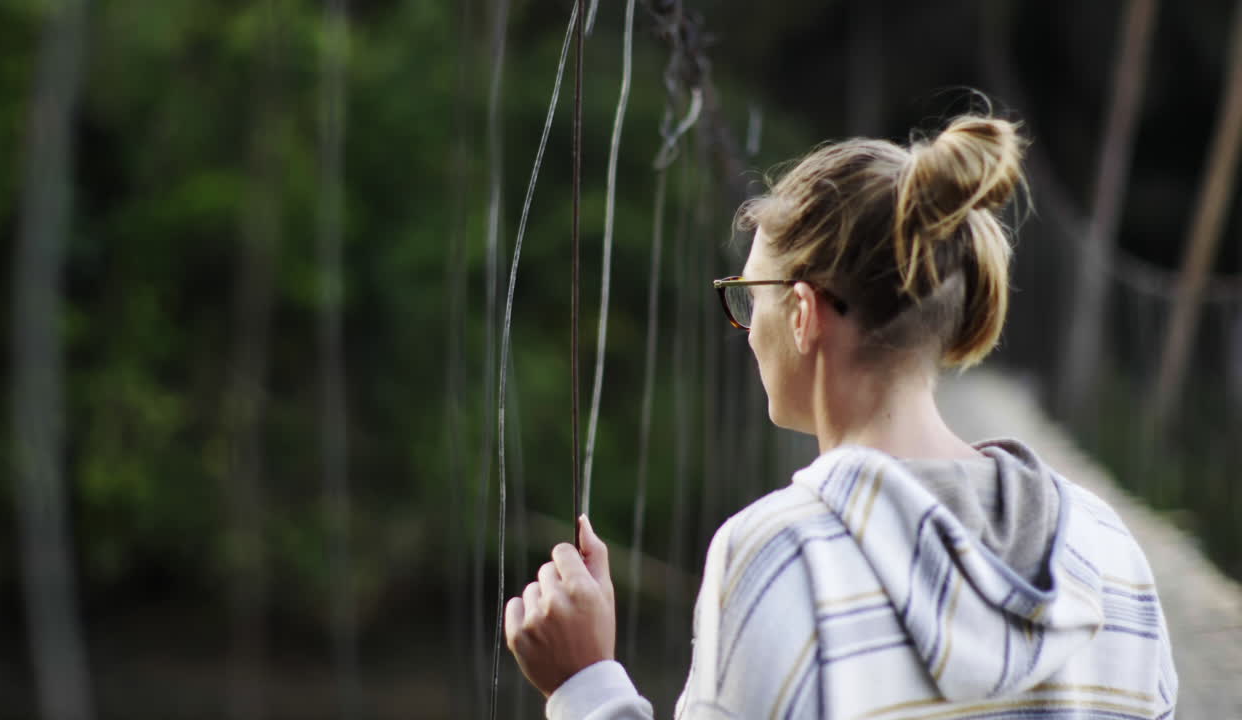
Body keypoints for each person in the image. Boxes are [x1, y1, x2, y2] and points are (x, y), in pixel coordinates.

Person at [503, 112, 1178, 719]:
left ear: (803, 313)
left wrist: (586, 685)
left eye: (749, 297)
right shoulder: (1109, 552)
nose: (747, 329)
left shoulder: (778, 556)